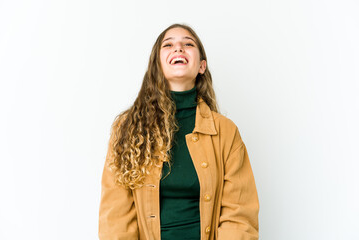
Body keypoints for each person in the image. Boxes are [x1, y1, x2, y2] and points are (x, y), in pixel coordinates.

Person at [98, 23, 260, 240]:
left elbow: (239, 215)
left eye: (188, 44)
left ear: (202, 66)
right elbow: (115, 220)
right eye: (169, 45)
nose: (178, 48)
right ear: (157, 64)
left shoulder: (226, 132)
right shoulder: (127, 129)